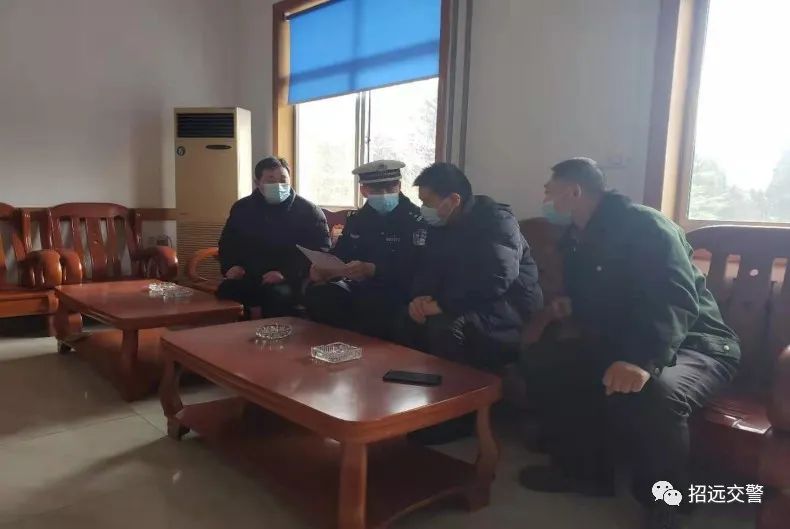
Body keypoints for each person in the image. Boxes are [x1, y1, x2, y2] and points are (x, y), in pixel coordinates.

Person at [518, 158, 740, 529]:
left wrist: (641, 360)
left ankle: (665, 503)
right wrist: (571, 307)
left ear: (574, 192)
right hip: (625, 340)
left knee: (657, 392)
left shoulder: (646, 226)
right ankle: (586, 472)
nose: (545, 200)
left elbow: (674, 299)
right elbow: (603, 296)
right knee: (548, 360)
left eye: (549, 191)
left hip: (694, 344)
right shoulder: (576, 238)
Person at [399, 162, 543, 370]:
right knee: (405, 318)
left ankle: (462, 390)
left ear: (454, 200)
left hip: (507, 305)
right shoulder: (440, 223)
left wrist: (442, 305)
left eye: (428, 203)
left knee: (446, 327)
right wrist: (421, 298)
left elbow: (495, 279)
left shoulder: (497, 222)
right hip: (465, 300)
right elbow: (427, 267)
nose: (424, 209)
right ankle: (419, 386)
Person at [304, 160, 428, 339]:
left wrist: (374, 269)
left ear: (399, 186)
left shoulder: (416, 219)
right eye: (376, 190)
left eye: (390, 188)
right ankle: (336, 348)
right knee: (318, 295)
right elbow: (341, 253)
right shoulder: (358, 219)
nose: (384, 194)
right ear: (364, 191)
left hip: (397, 289)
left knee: (372, 305)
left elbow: (417, 266)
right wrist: (324, 267)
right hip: (358, 285)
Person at [217, 156, 330, 318]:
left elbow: (320, 250)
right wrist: (231, 266)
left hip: (288, 278)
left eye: (283, 179)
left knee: (276, 296)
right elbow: (227, 243)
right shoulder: (242, 208)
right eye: (270, 180)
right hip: (246, 275)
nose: (278, 185)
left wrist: (285, 273)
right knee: (226, 291)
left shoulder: (309, 211)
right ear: (258, 183)